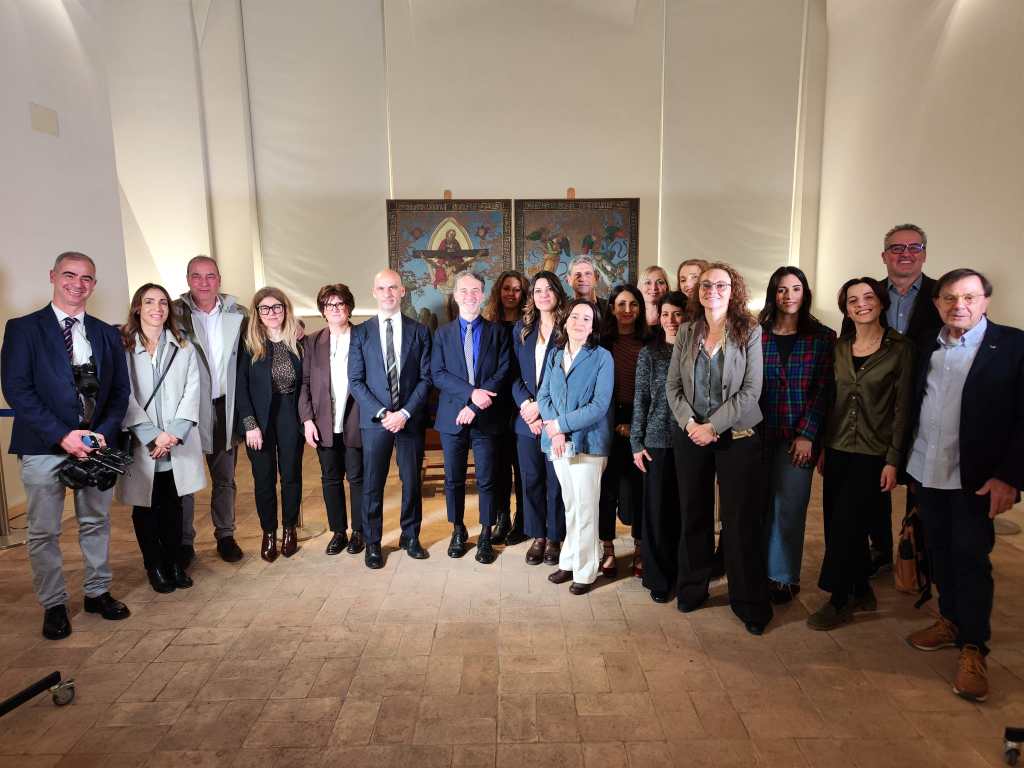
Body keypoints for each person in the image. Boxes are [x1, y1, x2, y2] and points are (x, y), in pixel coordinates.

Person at [903, 269, 1024, 702]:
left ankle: (974, 647)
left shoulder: (1013, 346)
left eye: (970, 297)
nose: (960, 305)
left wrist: (1010, 477)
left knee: (972, 559)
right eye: (950, 297)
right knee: (939, 552)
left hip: (976, 479)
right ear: (937, 303)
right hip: (928, 470)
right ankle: (950, 620)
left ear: (985, 301)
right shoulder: (926, 347)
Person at [1, 252, 131, 640]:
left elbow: (120, 392)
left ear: (94, 284)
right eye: (70, 275)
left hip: (94, 444)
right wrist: (63, 435)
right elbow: (17, 390)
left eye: (87, 278)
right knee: (43, 530)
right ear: (53, 276)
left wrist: (99, 433)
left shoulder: (106, 334)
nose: (78, 283)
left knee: (95, 521)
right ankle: (54, 604)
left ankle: (97, 592)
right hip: (44, 445)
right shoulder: (24, 329)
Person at [666, 262, 772, 635]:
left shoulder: (750, 330)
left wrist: (714, 425)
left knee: (739, 521)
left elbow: (751, 391)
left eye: (721, 285)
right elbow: (673, 387)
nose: (713, 290)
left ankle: (748, 602)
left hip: (737, 437)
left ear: (733, 289)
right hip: (692, 435)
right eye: (706, 284)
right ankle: (693, 588)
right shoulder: (686, 331)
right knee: (693, 514)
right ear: (698, 291)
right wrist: (692, 425)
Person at [807, 277, 914, 631]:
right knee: (839, 521)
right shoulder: (839, 348)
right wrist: (821, 444)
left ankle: (839, 599)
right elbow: (828, 400)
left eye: (868, 297)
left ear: (881, 303)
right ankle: (861, 587)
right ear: (846, 308)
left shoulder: (900, 349)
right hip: (837, 447)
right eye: (853, 300)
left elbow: (902, 409)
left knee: (847, 524)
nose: (861, 304)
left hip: (873, 452)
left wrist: (893, 460)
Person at [864, 224, 943, 576]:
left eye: (914, 246)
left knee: (919, 485)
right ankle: (879, 549)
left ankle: (914, 557)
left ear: (924, 253)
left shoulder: (943, 294)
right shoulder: (867, 294)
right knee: (874, 483)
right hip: (876, 411)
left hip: (927, 407)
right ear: (884, 256)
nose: (906, 253)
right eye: (897, 248)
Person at [117, 283, 204, 593]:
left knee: (174, 504)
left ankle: (174, 562)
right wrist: (152, 436)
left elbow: (192, 391)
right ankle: (154, 564)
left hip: (175, 441)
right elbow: (122, 396)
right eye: (150, 301)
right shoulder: (123, 348)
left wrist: (172, 435)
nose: (157, 308)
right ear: (138, 307)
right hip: (144, 442)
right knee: (145, 506)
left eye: (163, 302)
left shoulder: (183, 346)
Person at [757, 267, 835, 604]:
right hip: (757, 434)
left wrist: (808, 435)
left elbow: (823, 390)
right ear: (773, 294)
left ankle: (783, 576)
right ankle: (756, 569)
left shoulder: (822, 337)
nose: (789, 296)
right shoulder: (754, 334)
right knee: (759, 506)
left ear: (805, 294)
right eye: (781, 290)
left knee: (789, 507)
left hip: (798, 437)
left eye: (796, 289)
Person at [348, 269, 433, 569]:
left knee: (411, 481)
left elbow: (426, 377)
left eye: (393, 287)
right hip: (376, 422)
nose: (387, 293)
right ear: (374, 292)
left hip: (409, 419)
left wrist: (405, 413)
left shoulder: (420, 331)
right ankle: (373, 542)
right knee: (373, 483)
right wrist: (384, 414)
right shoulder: (360, 332)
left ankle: (410, 536)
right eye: (381, 288)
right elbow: (355, 381)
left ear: (402, 291)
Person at [431, 271, 511, 564]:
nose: (469, 296)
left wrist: (476, 405)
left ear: (482, 294)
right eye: (463, 291)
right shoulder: (441, 334)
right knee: (453, 480)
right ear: (455, 295)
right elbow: (437, 374)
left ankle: (486, 534)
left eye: (475, 290)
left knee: (487, 479)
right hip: (452, 418)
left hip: (487, 419)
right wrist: (470, 394)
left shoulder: (498, 333)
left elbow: (502, 372)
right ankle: (457, 529)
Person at [174, 255, 246, 565]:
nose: (204, 282)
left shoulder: (238, 313)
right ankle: (184, 542)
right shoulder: (173, 314)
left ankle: (225, 535)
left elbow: (263, 336)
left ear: (219, 279)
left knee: (225, 479)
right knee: (187, 479)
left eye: (210, 276)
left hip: (224, 406)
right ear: (188, 279)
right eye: (197, 276)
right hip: (188, 410)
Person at [538, 299, 614, 595]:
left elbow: (599, 405)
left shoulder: (602, 357)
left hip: (589, 443)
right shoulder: (555, 354)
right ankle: (569, 561)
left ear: (593, 326)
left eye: (586, 318)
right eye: (575, 317)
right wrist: (554, 430)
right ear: (565, 321)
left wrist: (560, 425)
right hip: (557, 444)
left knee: (585, 508)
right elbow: (543, 396)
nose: (580, 322)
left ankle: (585, 571)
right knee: (570, 504)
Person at [236, 287, 304, 562]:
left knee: (290, 476)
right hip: (259, 419)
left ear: (285, 310)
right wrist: (250, 424)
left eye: (277, 307)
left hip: (290, 413)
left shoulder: (297, 342)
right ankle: (268, 532)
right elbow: (240, 387)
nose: (272, 313)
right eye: (265, 308)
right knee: (264, 479)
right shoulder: (248, 343)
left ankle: (289, 529)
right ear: (257, 314)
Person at [298, 283, 364, 556]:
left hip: (355, 419)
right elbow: (304, 383)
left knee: (358, 478)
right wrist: (307, 419)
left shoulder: (363, 336)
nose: (335, 309)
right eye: (329, 305)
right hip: (323, 421)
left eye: (340, 304)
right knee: (331, 479)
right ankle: (339, 531)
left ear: (349, 307)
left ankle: (360, 531)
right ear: (323, 311)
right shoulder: (312, 341)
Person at [631, 291, 686, 602]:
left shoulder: (696, 350)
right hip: (656, 442)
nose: (671, 320)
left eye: (677, 314)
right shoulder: (650, 353)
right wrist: (636, 442)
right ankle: (658, 578)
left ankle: (684, 573)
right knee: (656, 513)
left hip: (691, 443)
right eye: (666, 314)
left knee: (684, 511)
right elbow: (641, 400)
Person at [512, 271, 567, 565]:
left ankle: (556, 536)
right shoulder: (522, 329)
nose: (543, 294)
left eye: (548, 289)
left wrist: (543, 411)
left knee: (555, 481)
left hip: (556, 418)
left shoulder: (568, 329)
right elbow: (514, 375)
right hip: (526, 420)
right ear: (531, 296)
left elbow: (568, 378)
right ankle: (538, 536)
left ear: (558, 293)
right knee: (530, 479)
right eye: (537, 290)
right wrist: (526, 406)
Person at [598, 285, 648, 578]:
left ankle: (640, 549)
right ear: (612, 308)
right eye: (621, 304)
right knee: (607, 491)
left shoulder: (650, 341)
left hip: (638, 418)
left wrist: (635, 426)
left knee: (638, 491)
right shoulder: (602, 342)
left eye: (633, 304)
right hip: (605, 418)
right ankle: (608, 550)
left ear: (640, 309)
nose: (627, 310)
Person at [482, 269, 528, 546]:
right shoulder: (489, 325)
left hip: (522, 405)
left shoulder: (529, 326)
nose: (511, 294)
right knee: (498, 466)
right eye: (507, 288)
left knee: (522, 467)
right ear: (499, 292)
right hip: (496, 405)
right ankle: (502, 518)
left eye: (517, 289)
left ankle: (524, 520)